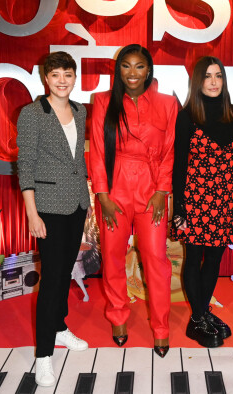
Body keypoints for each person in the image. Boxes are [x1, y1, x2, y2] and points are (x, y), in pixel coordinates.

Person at [90, 44, 178, 358]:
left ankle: (161, 328)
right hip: (115, 190)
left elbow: (170, 152)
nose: (132, 73)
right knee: (112, 256)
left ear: (148, 69)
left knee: (156, 260)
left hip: (152, 191)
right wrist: (103, 195)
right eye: (126, 66)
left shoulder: (168, 104)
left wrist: (161, 192)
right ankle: (117, 316)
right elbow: (98, 151)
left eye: (139, 66)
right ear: (118, 70)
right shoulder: (102, 101)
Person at [17, 51, 90, 387]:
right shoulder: (32, 114)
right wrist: (32, 213)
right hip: (46, 208)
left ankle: (60, 327)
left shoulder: (80, 110)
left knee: (63, 274)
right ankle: (43, 354)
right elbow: (26, 166)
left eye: (68, 74)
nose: (63, 80)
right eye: (56, 74)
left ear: (75, 77)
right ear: (46, 78)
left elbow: (78, 160)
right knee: (50, 280)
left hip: (76, 205)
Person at [171, 56, 233, 347]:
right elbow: (179, 164)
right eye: (207, 76)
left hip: (226, 197)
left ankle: (202, 313)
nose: (214, 81)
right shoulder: (187, 116)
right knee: (194, 258)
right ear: (198, 81)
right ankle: (197, 319)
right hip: (195, 197)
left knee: (215, 258)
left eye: (218, 75)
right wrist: (179, 207)